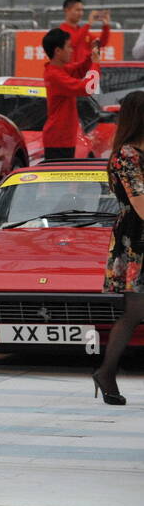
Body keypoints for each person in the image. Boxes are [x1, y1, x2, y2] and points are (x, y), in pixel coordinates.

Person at [93, 90, 144, 406]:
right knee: (135, 310)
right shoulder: (127, 156)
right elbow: (141, 206)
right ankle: (107, 371)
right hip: (137, 239)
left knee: (135, 311)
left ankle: (107, 372)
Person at [42, 27, 100, 162]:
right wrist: (95, 63)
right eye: (69, 47)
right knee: (58, 181)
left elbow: (79, 69)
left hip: (63, 138)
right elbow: (88, 87)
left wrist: (91, 55)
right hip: (58, 140)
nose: (72, 50)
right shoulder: (54, 75)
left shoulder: (60, 70)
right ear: (57, 51)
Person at [59, 0, 111, 67]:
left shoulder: (83, 32)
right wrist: (89, 23)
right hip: (68, 73)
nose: (81, 13)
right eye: (77, 10)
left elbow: (101, 43)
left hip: (82, 73)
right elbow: (74, 42)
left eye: (82, 10)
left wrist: (106, 26)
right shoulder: (61, 30)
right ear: (66, 10)